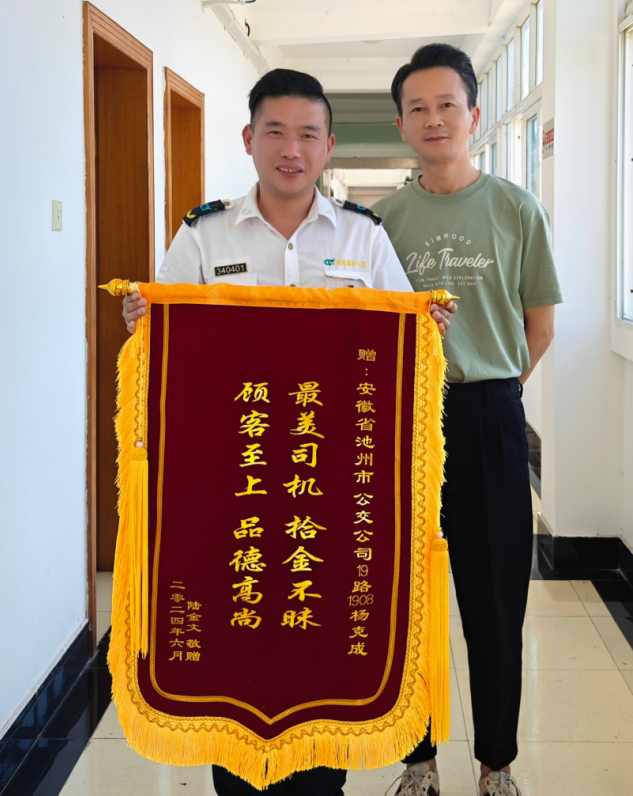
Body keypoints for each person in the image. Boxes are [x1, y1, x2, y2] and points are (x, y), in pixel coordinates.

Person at [121, 68, 456, 796]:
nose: (291, 149)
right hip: (232, 486)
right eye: (275, 131)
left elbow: (409, 341)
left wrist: (424, 328)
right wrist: (143, 321)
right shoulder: (204, 233)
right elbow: (161, 335)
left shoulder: (363, 236)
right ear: (249, 139)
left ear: (329, 146)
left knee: (322, 636)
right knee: (233, 632)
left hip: (328, 489)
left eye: (308, 134)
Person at [373, 44, 562, 796]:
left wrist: (492, 390)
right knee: (407, 597)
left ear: (474, 115)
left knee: (495, 600)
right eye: (417, 108)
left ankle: (496, 763)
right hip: (404, 424)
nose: (434, 119)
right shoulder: (380, 222)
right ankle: (417, 759)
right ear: (400, 125)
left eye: (447, 104)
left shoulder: (517, 209)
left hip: (490, 417)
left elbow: (539, 326)